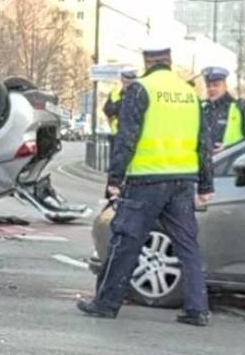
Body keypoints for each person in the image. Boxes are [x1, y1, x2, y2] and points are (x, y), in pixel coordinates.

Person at [77, 44, 215, 326]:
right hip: (183, 180)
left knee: (125, 242)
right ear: (170, 60)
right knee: (187, 245)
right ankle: (198, 309)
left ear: (147, 62)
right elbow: (204, 142)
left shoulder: (142, 89)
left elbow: (127, 137)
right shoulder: (189, 93)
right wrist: (205, 184)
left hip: (147, 179)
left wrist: (114, 179)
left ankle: (106, 303)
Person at [201, 66, 245, 152]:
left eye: (216, 85)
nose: (211, 89)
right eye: (208, 86)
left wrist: (229, 148)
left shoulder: (240, 108)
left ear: (225, 86)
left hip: (232, 162)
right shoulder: (202, 108)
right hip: (205, 163)